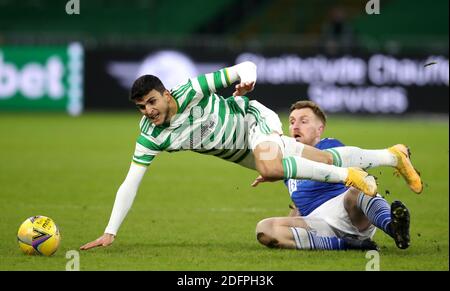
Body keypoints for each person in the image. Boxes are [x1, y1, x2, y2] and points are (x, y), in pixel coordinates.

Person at [80, 62, 421, 250]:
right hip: (241, 153)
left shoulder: (191, 90)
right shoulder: (150, 135)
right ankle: (393, 156)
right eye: (141, 107)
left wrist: (247, 84)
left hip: (253, 121)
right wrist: (111, 231)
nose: (148, 111)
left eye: (152, 102)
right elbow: (130, 183)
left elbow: (246, 65)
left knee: (272, 166)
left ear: (166, 94)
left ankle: (350, 178)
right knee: (324, 158)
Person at [254, 101, 412, 251]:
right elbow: (300, 204)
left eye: (304, 121)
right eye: (292, 121)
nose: (295, 126)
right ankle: (347, 244)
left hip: (349, 212)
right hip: (318, 223)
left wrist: (278, 168)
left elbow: (352, 169)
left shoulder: (329, 147)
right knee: (265, 228)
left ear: (319, 129)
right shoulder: (289, 166)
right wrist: (287, 226)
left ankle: (394, 228)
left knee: (358, 189)